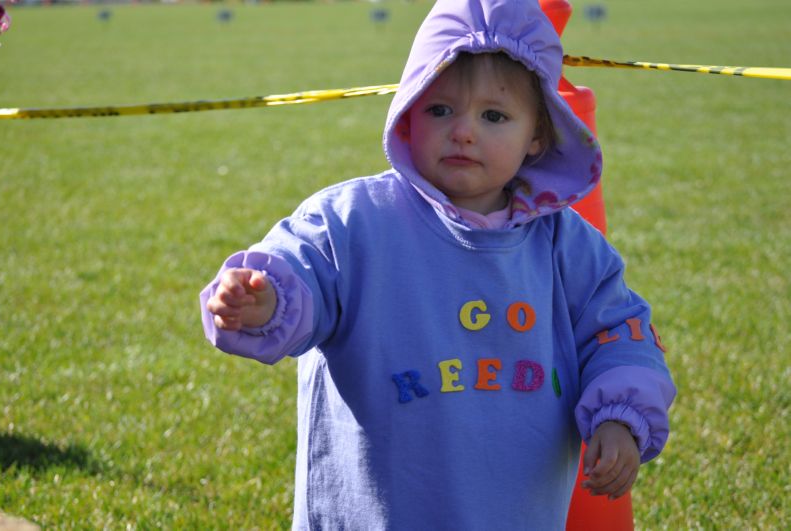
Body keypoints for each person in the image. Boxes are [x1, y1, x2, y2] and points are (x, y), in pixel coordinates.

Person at [200, 0, 676, 528]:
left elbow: (619, 333)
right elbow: (298, 267)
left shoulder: (569, 247)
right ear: (408, 110)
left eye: (494, 116)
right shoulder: (351, 221)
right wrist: (266, 298)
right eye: (440, 109)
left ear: (537, 134)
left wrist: (621, 416)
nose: (464, 131)